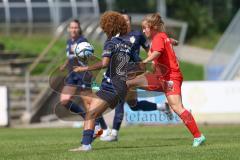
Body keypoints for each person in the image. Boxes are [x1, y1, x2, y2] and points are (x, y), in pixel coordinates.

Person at [127, 13, 206, 147]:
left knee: (177, 107)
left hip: (170, 78)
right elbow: (164, 48)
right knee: (129, 83)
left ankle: (198, 136)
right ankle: (115, 92)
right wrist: (171, 42)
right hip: (161, 77)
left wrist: (145, 61)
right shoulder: (161, 37)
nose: (143, 30)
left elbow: (157, 52)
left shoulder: (158, 38)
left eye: (145, 27)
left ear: (152, 27)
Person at [100, 11, 175, 142]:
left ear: (129, 22)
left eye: (126, 21)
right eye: (121, 21)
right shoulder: (114, 37)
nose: (123, 23)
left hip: (132, 72)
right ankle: (162, 107)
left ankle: (114, 133)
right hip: (118, 73)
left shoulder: (138, 35)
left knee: (120, 100)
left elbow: (150, 50)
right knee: (133, 106)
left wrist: (153, 60)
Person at [69, 11, 135, 152]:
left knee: (91, 113)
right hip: (121, 87)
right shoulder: (126, 44)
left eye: (103, 25)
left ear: (108, 26)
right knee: (91, 107)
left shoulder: (110, 42)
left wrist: (84, 68)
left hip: (111, 86)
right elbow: (137, 64)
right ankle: (97, 133)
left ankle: (86, 144)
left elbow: (104, 63)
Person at [59, 19, 108, 137]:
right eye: (71, 27)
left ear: (79, 29)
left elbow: (88, 55)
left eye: (76, 27)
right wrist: (65, 65)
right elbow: (69, 56)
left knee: (90, 104)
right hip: (72, 75)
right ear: (68, 29)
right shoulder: (69, 41)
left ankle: (104, 128)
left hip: (82, 75)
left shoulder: (82, 41)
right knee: (64, 101)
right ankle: (87, 119)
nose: (73, 29)